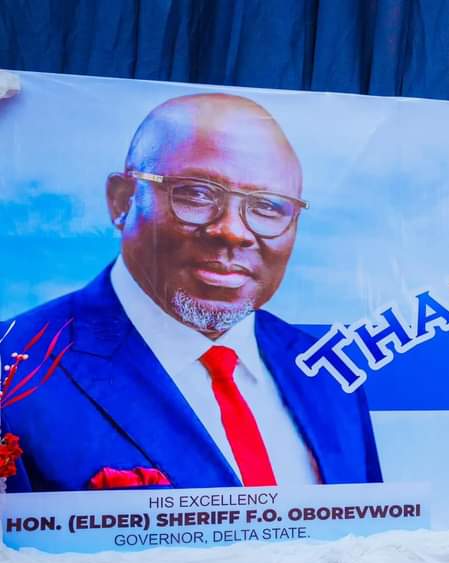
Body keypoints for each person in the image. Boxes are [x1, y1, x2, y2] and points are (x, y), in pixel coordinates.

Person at [1, 93, 382, 492]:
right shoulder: (15, 370)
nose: (232, 231)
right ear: (122, 200)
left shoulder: (327, 375)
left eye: (269, 206)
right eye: (197, 193)